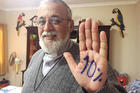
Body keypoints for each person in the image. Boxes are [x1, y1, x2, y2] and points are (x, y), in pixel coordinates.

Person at [22, 0, 127, 93]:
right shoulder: (35, 57)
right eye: (41, 22)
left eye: (55, 21)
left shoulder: (90, 60)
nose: (47, 27)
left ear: (71, 26)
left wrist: (99, 90)